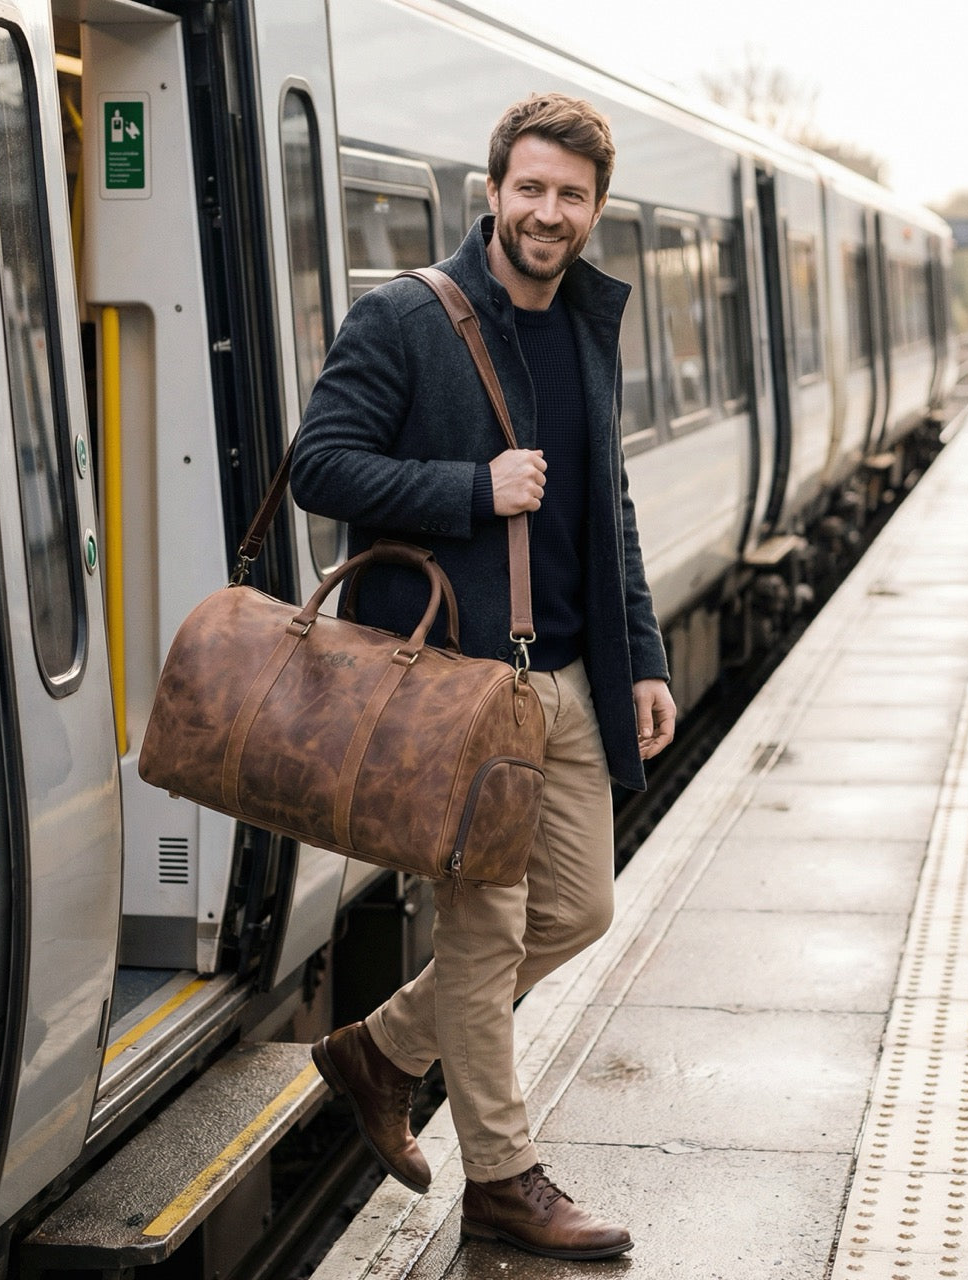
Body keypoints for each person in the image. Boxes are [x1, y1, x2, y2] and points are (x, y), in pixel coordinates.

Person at [291, 92, 675, 1260]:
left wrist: (645, 657)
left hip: (562, 680)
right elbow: (319, 463)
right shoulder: (404, 317)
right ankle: (504, 1177)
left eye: (569, 195)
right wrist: (472, 486)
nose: (546, 212)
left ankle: (379, 1049)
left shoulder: (585, 324)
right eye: (529, 188)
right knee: (483, 927)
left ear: (594, 210)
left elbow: (604, 509)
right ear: (491, 190)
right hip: (457, 695)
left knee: (580, 908)